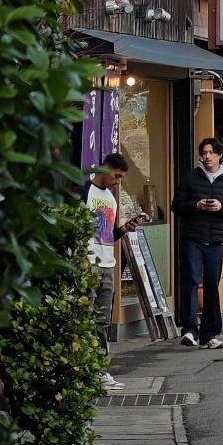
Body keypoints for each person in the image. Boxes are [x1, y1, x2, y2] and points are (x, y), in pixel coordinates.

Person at [171, 136, 223, 348]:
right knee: (191, 283)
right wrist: (197, 205)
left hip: (215, 241)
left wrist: (221, 207)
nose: (207, 156)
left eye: (211, 153)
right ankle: (190, 330)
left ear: (220, 155)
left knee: (212, 285)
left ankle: (210, 333)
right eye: (203, 153)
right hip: (192, 238)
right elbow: (177, 206)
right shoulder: (191, 178)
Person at [86, 152, 130, 391]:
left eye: (121, 178)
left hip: (107, 263)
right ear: (104, 169)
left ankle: (100, 370)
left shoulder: (111, 199)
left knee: (102, 321)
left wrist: (123, 229)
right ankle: (85, 370)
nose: (117, 181)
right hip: (87, 263)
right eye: (116, 176)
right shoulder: (84, 193)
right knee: (86, 320)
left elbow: (108, 235)